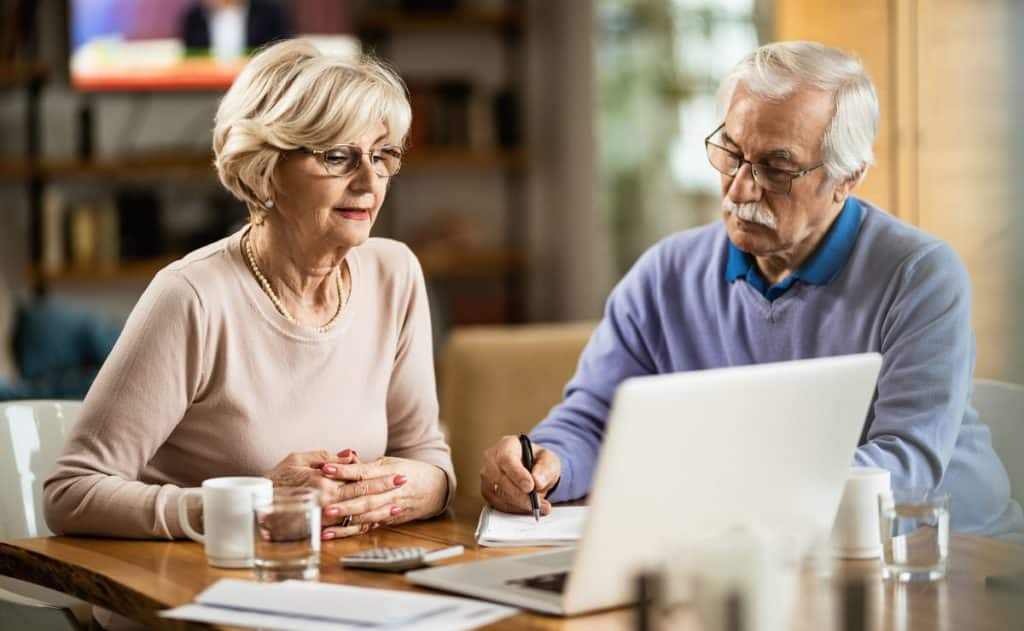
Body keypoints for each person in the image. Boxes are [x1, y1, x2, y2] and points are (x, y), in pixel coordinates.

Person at [480, 41, 1024, 540]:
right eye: (731, 153)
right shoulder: (665, 273)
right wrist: (548, 463)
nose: (740, 187)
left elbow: (903, 469)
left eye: (775, 167)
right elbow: (596, 418)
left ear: (847, 178)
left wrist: (722, 493)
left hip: (952, 553)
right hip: (758, 548)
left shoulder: (919, 275)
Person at [44, 39, 454, 541]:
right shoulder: (192, 296)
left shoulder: (396, 274)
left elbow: (426, 458)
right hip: (191, 590)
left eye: (382, 155)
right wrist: (250, 504)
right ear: (265, 173)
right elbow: (71, 494)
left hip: (337, 586)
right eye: (338, 156)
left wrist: (416, 487)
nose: (370, 181)